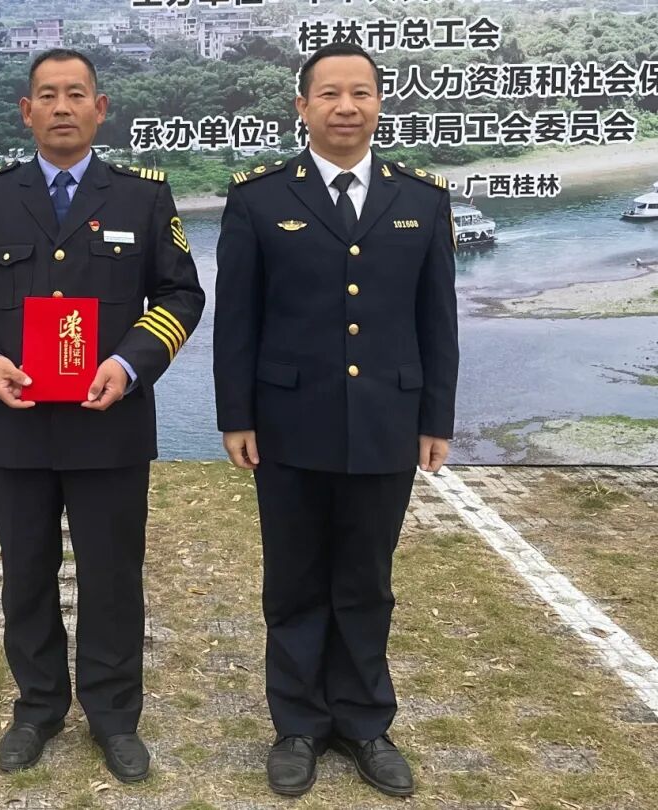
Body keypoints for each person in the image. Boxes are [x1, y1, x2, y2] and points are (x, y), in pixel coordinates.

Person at [0, 48, 204, 783]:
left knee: (112, 577)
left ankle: (114, 716)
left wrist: (129, 363)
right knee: (26, 573)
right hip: (16, 424)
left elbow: (181, 294)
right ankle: (37, 708)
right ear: (27, 111)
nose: (61, 107)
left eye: (76, 94)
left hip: (110, 423)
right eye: (47, 95)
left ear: (99, 108)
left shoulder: (142, 197)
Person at [213, 42, 459, 798]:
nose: (345, 107)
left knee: (366, 581)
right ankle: (297, 725)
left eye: (361, 93)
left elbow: (437, 321)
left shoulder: (422, 199)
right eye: (329, 94)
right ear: (303, 107)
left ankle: (363, 723)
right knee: (294, 580)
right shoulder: (258, 199)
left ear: (380, 103)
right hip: (288, 422)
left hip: (387, 421)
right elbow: (237, 321)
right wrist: (236, 416)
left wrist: (436, 417)